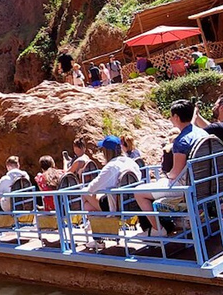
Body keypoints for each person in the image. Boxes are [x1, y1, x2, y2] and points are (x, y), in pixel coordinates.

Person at [134, 99, 208, 236]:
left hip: (185, 186)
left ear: (176, 117)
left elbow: (176, 173)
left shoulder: (182, 141)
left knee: (139, 192)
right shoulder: (203, 134)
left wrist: (167, 175)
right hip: (204, 181)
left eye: (171, 116)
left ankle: (158, 230)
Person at [83, 136, 141, 249]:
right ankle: (98, 231)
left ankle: (97, 238)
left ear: (106, 152)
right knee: (89, 204)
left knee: (85, 195)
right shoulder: (131, 162)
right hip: (131, 202)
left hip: (116, 206)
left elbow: (92, 188)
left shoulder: (111, 167)